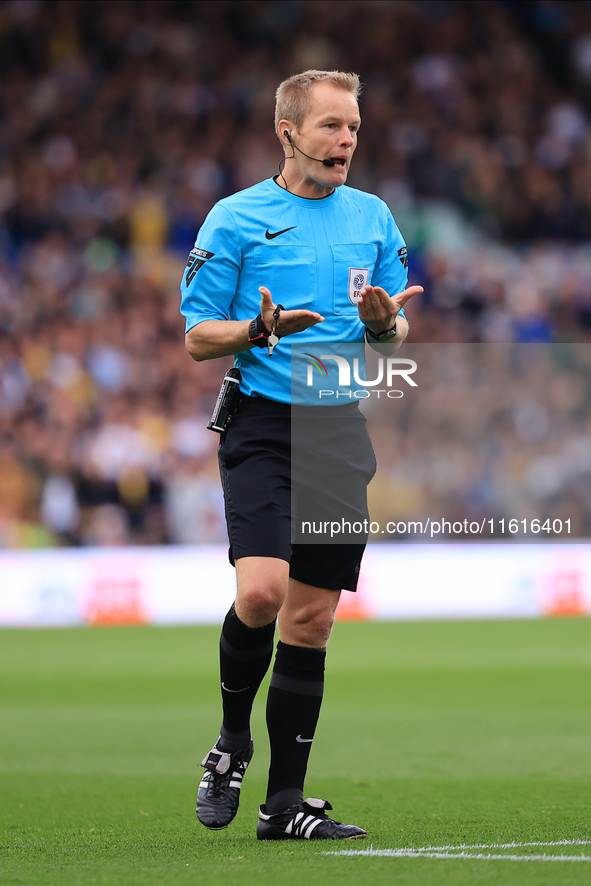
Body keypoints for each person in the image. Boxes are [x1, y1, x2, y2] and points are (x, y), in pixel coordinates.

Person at [181, 69, 422, 841]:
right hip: (260, 425)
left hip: (335, 430)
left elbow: (391, 334)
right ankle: (230, 741)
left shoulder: (373, 217)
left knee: (311, 620)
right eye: (329, 126)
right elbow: (195, 335)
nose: (345, 140)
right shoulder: (236, 218)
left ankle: (284, 804)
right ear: (288, 133)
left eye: (351, 127)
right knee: (261, 593)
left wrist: (385, 324)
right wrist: (260, 328)